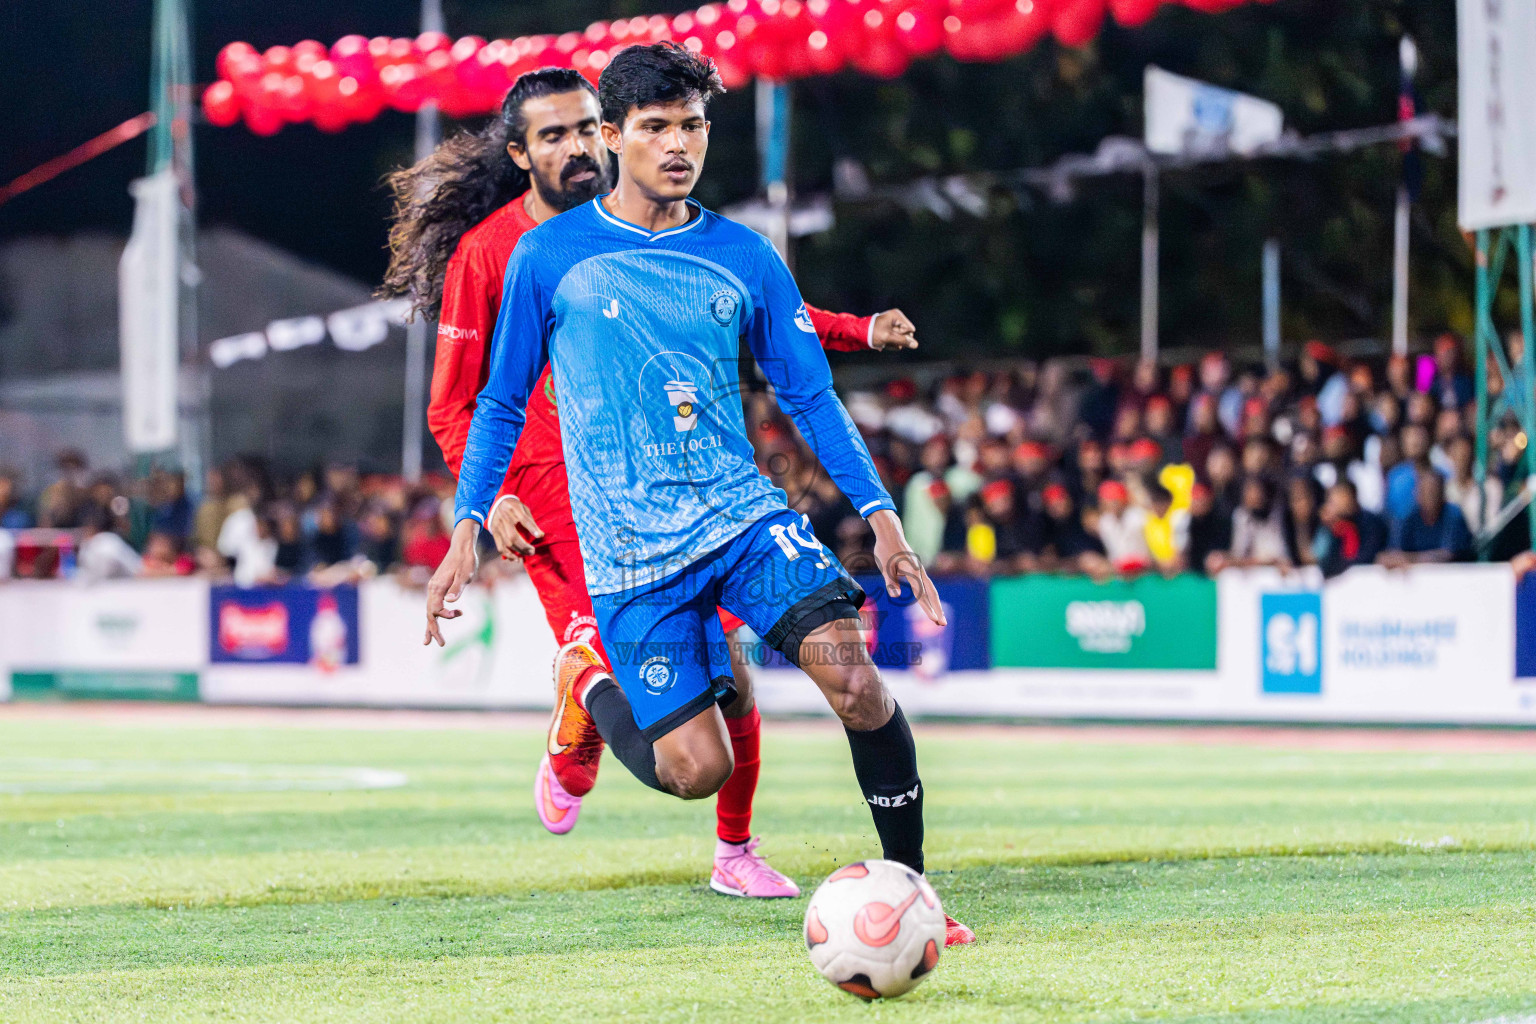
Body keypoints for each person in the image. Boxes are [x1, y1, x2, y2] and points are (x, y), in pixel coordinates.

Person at [424, 43, 971, 944]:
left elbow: (808, 395)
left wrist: (882, 520)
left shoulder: (744, 255)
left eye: (693, 126)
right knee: (692, 769)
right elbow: (499, 399)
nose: (679, 145)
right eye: (655, 127)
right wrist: (466, 528)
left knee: (856, 682)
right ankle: (586, 684)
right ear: (613, 137)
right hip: (631, 555)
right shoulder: (546, 258)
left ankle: (916, 897)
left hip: (741, 519)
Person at [1381, 470, 1473, 565]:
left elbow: (1449, 554)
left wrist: (1410, 559)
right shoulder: (1409, 516)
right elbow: (1389, 556)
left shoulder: (1453, 515)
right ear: (1417, 494)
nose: (1430, 496)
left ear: (1442, 493)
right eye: (1425, 491)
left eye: (1433, 491)